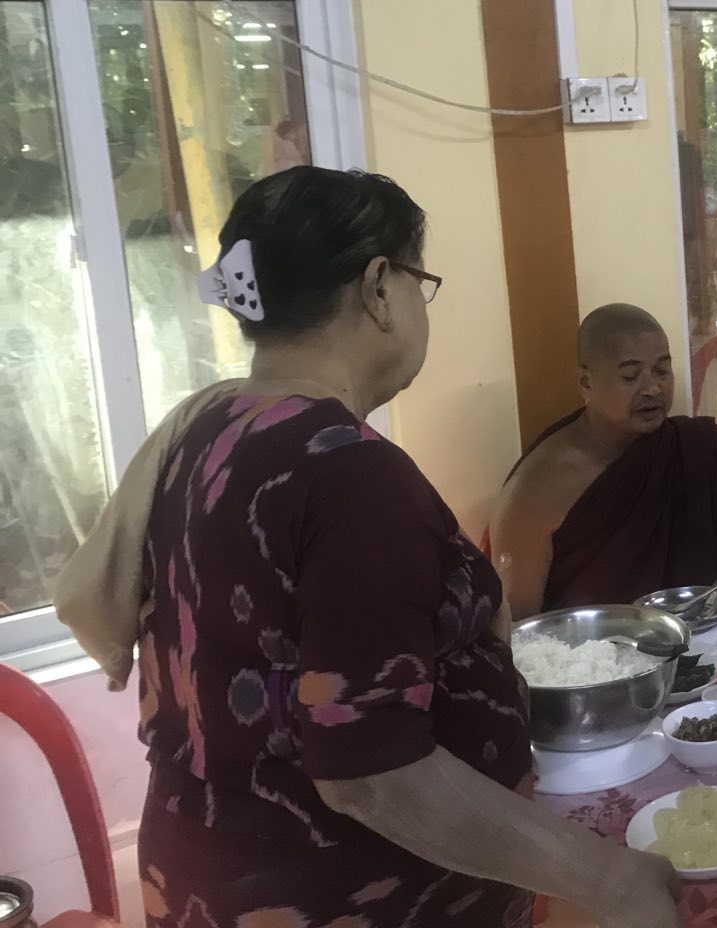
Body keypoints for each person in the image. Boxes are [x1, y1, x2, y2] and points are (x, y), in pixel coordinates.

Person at [85, 167, 679, 928]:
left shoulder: (205, 430)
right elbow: (371, 775)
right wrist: (606, 879)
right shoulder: (349, 474)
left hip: (211, 870)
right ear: (377, 287)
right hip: (341, 892)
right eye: (418, 283)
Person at [489, 303, 717, 618]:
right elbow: (517, 625)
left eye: (662, 371)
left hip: (708, 630)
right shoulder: (536, 489)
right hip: (594, 645)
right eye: (630, 376)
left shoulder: (687, 447)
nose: (652, 388)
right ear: (585, 383)